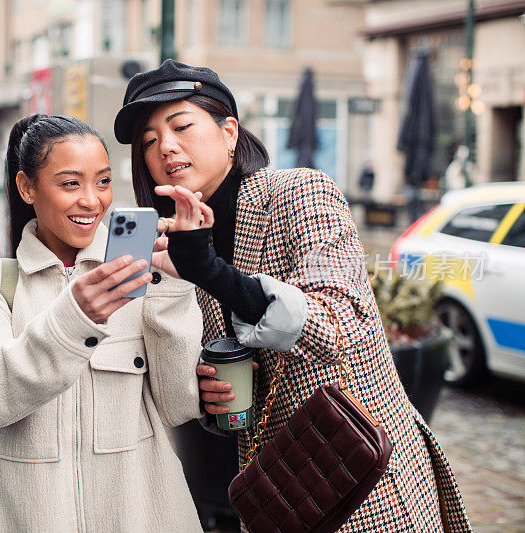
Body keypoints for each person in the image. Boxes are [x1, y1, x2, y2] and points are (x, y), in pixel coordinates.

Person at [114, 59, 472, 532]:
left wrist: (210, 272)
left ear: (229, 133)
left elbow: (339, 326)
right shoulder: (170, 245)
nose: (167, 147)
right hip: (276, 497)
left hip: (365, 483)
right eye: (150, 142)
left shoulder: (301, 192)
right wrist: (207, 396)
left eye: (181, 126)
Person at [0, 114, 204, 532]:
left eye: (104, 181)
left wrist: (174, 286)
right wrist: (73, 320)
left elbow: (180, 406)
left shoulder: (139, 273)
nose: (92, 201)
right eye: (70, 183)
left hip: (138, 515)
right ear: (27, 187)